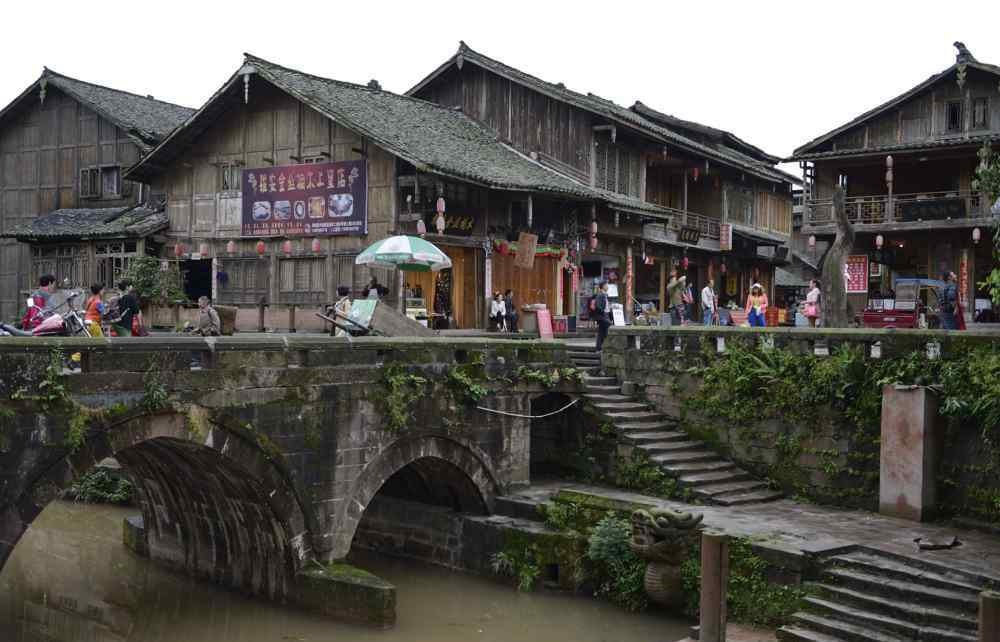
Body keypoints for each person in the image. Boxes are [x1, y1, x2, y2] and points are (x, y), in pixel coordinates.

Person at [594, 282, 611, 351]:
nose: (608, 287)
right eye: (607, 285)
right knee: (605, 331)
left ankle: (599, 348)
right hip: (602, 316)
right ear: (603, 286)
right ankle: (603, 347)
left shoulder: (605, 295)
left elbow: (606, 306)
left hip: (605, 315)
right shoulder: (600, 295)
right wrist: (603, 313)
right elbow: (598, 306)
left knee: (602, 332)